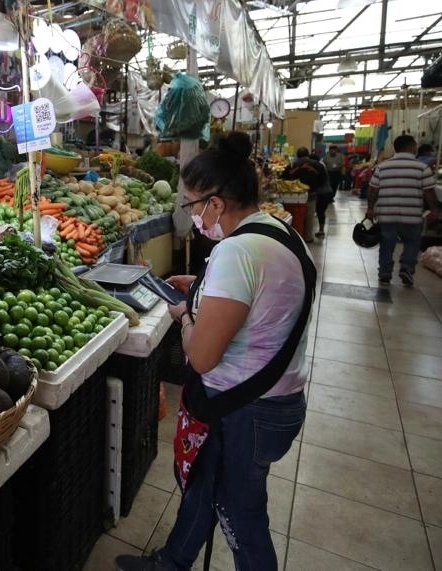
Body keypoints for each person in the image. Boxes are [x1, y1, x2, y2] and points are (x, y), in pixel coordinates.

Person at [115, 132, 311, 571]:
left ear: (216, 203)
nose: (191, 216)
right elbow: (257, 305)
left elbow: (201, 357)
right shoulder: (279, 233)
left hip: (249, 410)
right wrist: (201, 289)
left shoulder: (237, 251)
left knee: (240, 513)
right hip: (274, 399)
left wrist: (183, 315)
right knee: (205, 484)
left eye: (190, 205)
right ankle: (172, 561)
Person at [366, 134, 441, 286]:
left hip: (387, 215)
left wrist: (370, 208)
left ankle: (385, 272)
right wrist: (434, 210)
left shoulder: (383, 166)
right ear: (412, 147)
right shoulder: (422, 168)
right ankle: (406, 268)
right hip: (412, 216)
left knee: (387, 244)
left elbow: (372, 190)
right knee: (412, 243)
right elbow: (429, 192)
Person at [284, 148, 329, 241]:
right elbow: (323, 180)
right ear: (308, 154)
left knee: (296, 215)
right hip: (312, 193)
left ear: (297, 155)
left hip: (293, 195)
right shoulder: (318, 165)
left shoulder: (292, 164)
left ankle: (295, 236)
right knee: (309, 215)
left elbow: (285, 178)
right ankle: (308, 237)